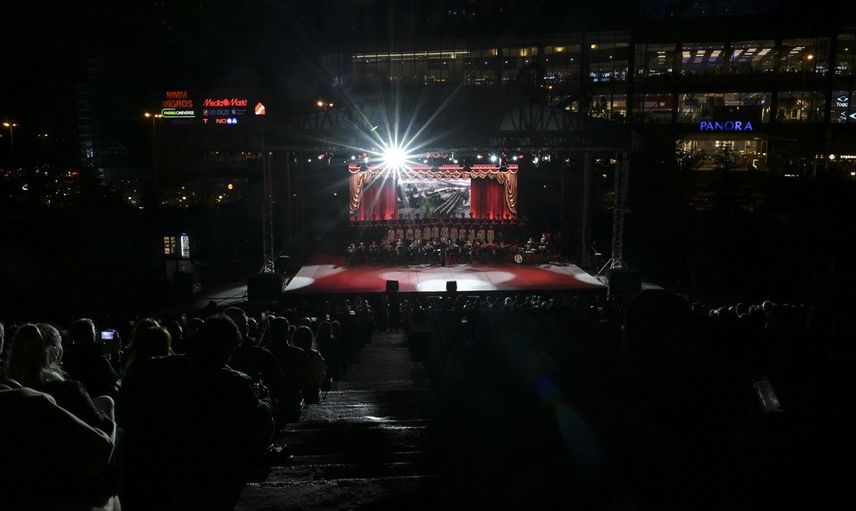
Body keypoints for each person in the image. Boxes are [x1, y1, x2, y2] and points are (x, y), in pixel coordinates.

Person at [120, 314, 274, 511]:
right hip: (208, 471)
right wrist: (265, 400)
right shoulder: (235, 382)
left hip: (153, 467)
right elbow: (257, 421)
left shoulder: (152, 368)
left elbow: (125, 412)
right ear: (227, 348)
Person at [7, 324, 115, 440]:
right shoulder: (68, 389)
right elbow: (104, 429)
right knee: (108, 403)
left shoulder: (9, 387)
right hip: (68, 447)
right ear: (55, 351)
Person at [63, 318, 119, 398]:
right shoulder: (98, 359)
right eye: (94, 332)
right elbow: (114, 379)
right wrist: (115, 353)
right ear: (92, 335)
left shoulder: (68, 357)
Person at [292, 326, 325, 404]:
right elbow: (320, 374)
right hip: (311, 391)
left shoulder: (291, 354)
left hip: (294, 392)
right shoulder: (315, 355)